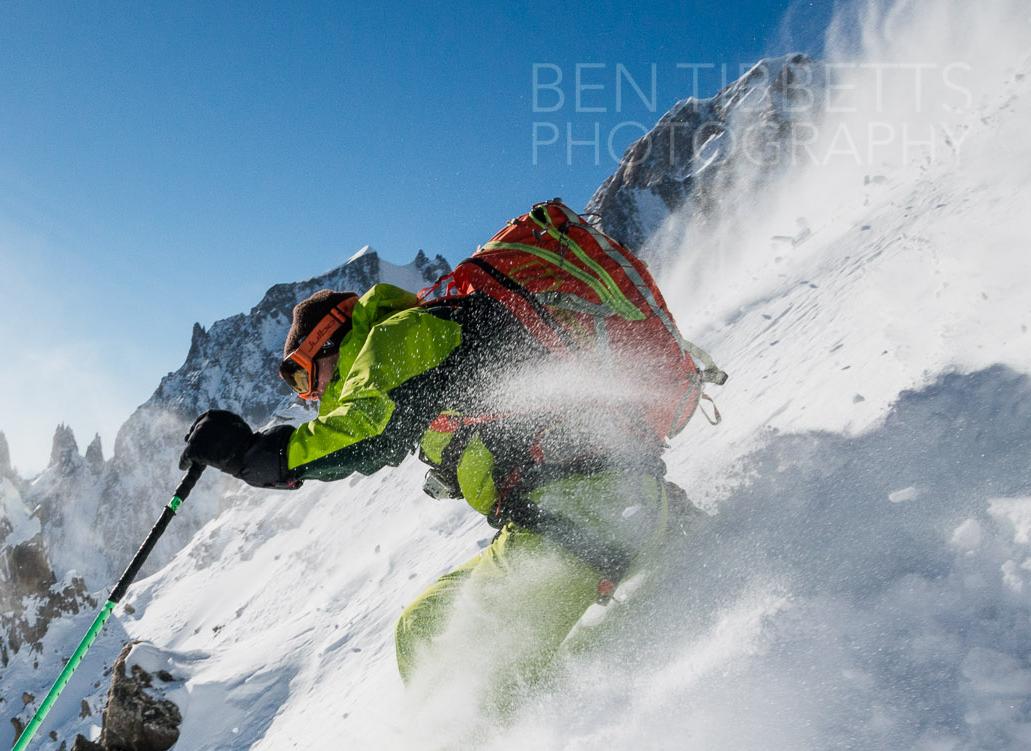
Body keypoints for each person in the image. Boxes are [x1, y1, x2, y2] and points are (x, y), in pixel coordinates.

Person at [178, 200, 718, 700]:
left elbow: (367, 430)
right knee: (511, 663)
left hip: (578, 518)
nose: (310, 395)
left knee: (431, 637)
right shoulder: (432, 332)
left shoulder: (392, 341)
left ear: (328, 340)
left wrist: (253, 457)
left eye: (302, 374)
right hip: (616, 505)